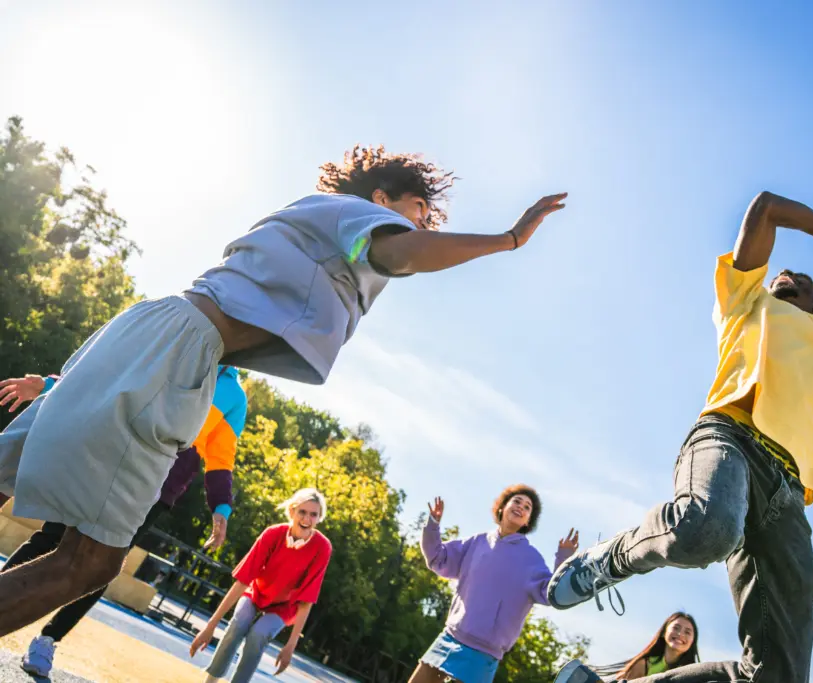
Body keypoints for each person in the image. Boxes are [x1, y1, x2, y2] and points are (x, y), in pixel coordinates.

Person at [0, 144, 567, 636]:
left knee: (9, 476)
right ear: (382, 197)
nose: (421, 223)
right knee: (90, 560)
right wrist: (510, 239)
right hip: (186, 346)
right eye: (418, 210)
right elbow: (404, 253)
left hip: (149, 326)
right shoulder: (356, 216)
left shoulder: (315, 218)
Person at [549, 194, 813, 683]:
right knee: (706, 529)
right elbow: (766, 208)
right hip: (729, 438)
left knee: (777, 675)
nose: (789, 277)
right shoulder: (745, 303)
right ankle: (607, 560)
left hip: (787, 494)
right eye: (783, 276)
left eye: (802, 283)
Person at [0, 366, 246, 677]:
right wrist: (48, 384)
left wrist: (221, 507)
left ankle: (48, 639)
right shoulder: (175, 352)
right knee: (51, 538)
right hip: (108, 457)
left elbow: (222, 456)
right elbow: (108, 381)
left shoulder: (233, 396)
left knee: (100, 565)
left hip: (155, 489)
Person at [411, 485, 579, 683]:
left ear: (527, 521)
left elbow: (552, 593)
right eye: (517, 501)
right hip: (450, 638)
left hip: (483, 654)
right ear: (502, 507)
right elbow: (437, 558)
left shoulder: (531, 560)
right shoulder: (477, 542)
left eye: (527, 507)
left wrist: (564, 559)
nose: (521, 507)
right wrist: (432, 525)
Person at [189, 488, 332, 682]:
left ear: (319, 518)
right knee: (238, 623)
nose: (307, 518)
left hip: (284, 607)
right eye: (302, 512)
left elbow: (306, 600)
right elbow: (243, 580)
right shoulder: (273, 534)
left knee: (258, 635)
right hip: (256, 593)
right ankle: (212, 678)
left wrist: (290, 646)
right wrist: (210, 626)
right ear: (292, 511)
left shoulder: (322, 548)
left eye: (313, 514)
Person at [588, 612, 700, 681]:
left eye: (687, 632)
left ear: (692, 642)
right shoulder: (643, 664)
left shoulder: (694, 673)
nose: (680, 634)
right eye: (676, 628)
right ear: (663, 632)